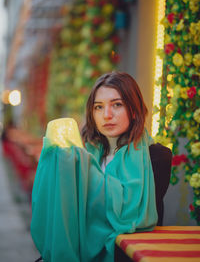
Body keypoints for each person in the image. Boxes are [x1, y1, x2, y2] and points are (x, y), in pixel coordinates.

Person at [31, 71, 171, 262]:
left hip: (124, 254)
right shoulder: (83, 156)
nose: (107, 115)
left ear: (134, 110)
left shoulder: (156, 157)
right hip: (80, 247)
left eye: (117, 105)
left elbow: (135, 221)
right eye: (99, 107)